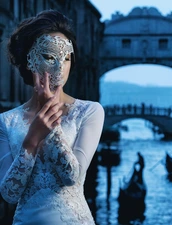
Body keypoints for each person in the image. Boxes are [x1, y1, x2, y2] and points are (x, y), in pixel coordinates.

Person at [0, 9, 105, 225]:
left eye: (66, 58)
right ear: (30, 61)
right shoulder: (6, 121)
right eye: (49, 56)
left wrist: (49, 125)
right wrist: (31, 141)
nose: (59, 67)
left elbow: (71, 177)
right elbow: (9, 193)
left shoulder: (89, 111)